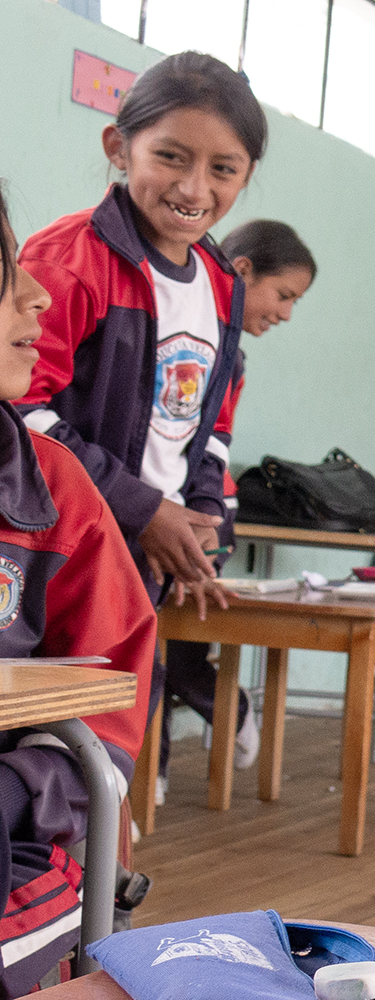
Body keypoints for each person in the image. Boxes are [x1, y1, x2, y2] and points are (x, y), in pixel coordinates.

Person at [18, 51, 265, 616]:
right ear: (118, 148)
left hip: (147, 553)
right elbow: (22, 408)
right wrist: (145, 509)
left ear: (246, 173)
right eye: (170, 157)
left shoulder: (222, 282)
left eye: (223, 169)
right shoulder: (72, 259)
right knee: (63, 698)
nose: (194, 188)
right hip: (58, 543)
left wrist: (199, 525)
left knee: (131, 699)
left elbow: (211, 422)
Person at [0, 186, 156, 1000]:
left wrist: (20, 788)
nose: (36, 291)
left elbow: (110, 692)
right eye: (2, 275)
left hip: (25, 828)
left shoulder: (51, 488)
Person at [157, 220, 315, 797]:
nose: (288, 313)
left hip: (205, 507)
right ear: (244, 270)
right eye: (285, 295)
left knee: (178, 636)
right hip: (156, 502)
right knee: (149, 645)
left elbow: (213, 437)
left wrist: (196, 514)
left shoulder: (229, 354)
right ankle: (153, 771)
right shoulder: (187, 321)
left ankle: (223, 714)